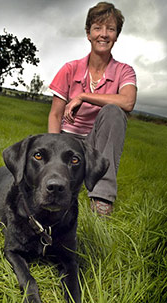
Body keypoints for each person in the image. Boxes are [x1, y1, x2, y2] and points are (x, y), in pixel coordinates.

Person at [48, 2, 137, 216]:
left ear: (116, 36)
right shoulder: (70, 69)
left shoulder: (125, 71)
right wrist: (53, 157)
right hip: (67, 141)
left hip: (94, 146)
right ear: (88, 34)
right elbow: (55, 115)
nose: (104, 34)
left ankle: (101, 199)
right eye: (98, 28)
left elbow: (127, 102)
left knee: (115, 111)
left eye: (111, 29)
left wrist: (84, 96)